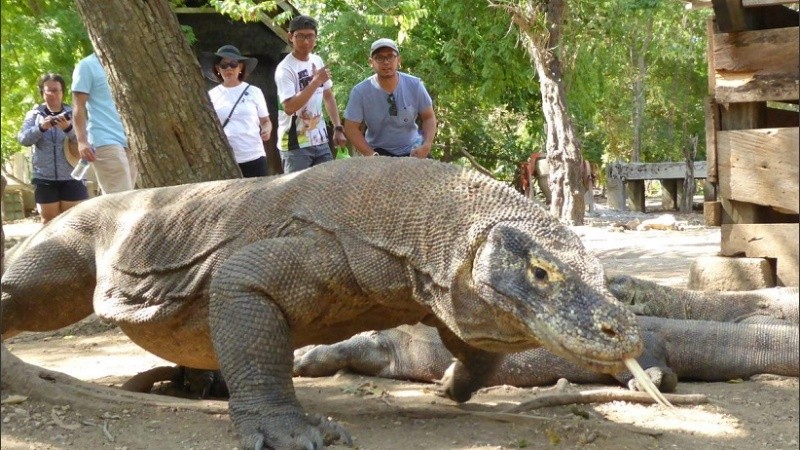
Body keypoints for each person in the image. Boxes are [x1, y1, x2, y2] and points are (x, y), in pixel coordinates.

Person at [274, 15, 346, 173]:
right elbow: (289, 107)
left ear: (316, 37)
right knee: (296, 193)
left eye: (310, 36)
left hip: (320, 141)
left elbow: (328, 95)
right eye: (300, 36)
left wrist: (338, 127)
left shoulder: (317, 60)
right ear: (290, 36)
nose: (306, 41)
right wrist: (315, 81)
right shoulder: (285, 69)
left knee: (327, 188)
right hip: (295, 145)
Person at [343, 38, 436, 158]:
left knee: (436, 174)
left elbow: (429, 117)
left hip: (413, 149)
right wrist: (371, 154)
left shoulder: (415, 85)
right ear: (371, 62)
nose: (386, 62)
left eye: (391, 56)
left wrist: (426, 145)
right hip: (378, 152)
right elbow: (351, 128)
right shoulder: (360, 92)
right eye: (379, 58)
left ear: (399, 60)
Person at [17, 73, 88, 224]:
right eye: (47, 90)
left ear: (63, 92)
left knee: (74, 222)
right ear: (42, 92)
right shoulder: (34, 115)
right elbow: (23, 139)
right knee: (48, 222)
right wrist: (41, 128)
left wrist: (68, 128)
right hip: (44, 178)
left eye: (56, 90)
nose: (52, 94)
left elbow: (87, 141)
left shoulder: (74, 113)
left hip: (73, 176)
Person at [201, 45, 272, 178]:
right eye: (224, 65)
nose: (229, 68)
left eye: (233, 64)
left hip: (254, 155)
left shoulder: (254, 92)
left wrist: (267, 130)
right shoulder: (211, 95)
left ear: (240, 67)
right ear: (218, 69)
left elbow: (265, 120)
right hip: (227, 159)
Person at [71, 53, 137, 194]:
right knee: (121, 199)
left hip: (131, 140)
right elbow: (78, 106)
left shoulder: (127, 61)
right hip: (105, 138)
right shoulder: (87, 65)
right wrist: (82, 141)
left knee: (127, 197)